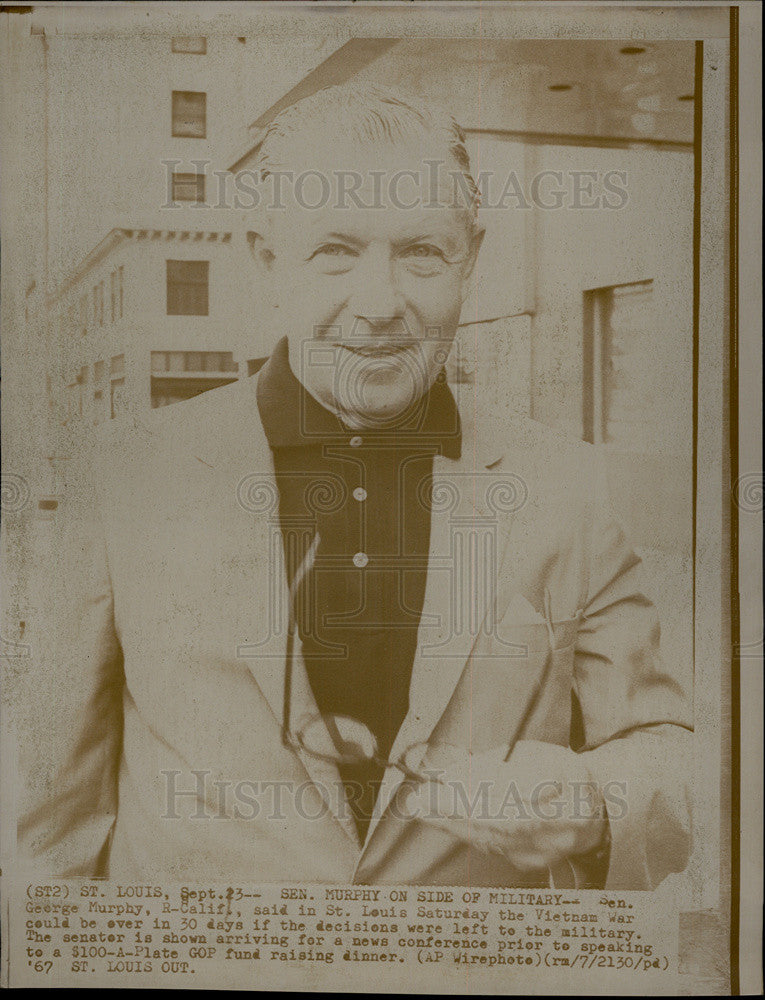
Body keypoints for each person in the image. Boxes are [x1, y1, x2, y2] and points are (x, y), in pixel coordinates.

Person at [16, 85, 692, 887]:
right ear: (267, 261)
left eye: (422, 253)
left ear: (470, 257)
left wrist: (595, 803)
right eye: (335, 250)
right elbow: (48, 811)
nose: (380, 306)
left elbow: (665, 750)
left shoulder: (566, 483)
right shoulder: (129, 475)